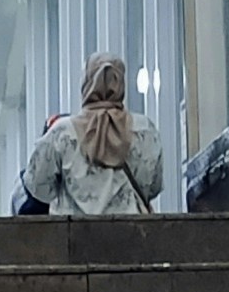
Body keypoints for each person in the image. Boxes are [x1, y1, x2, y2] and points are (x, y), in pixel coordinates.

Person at [23, 54, 165, 216]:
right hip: (134, 234)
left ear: (86, 83)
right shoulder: (145, 130)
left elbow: (37, 187)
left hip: (74, 236)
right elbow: (154, 187)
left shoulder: (62, 133)